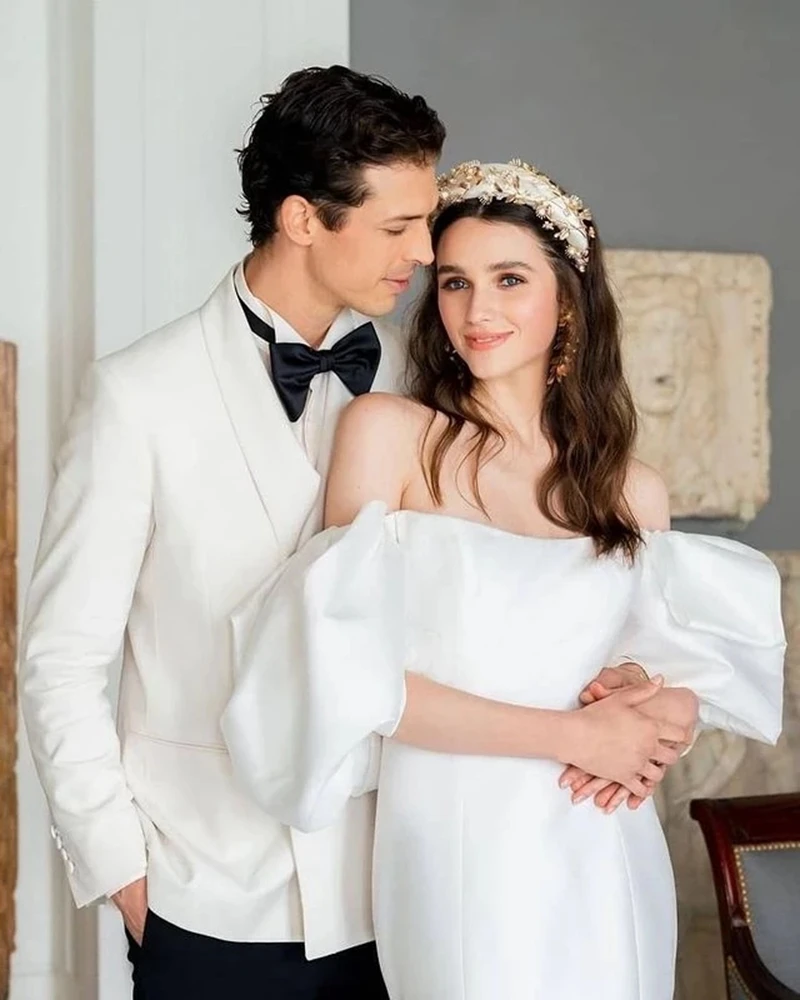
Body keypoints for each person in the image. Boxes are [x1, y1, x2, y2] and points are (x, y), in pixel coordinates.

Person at [222, 160, 786, 1000]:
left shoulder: (632, 490)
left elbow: (644, 669)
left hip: (603, 844)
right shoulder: (390, 436)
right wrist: (573, 737)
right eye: (455, 282)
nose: (476, 310)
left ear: (568, 302)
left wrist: (666, 704)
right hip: (457, 842)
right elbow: (348, 679)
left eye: (509, 279)